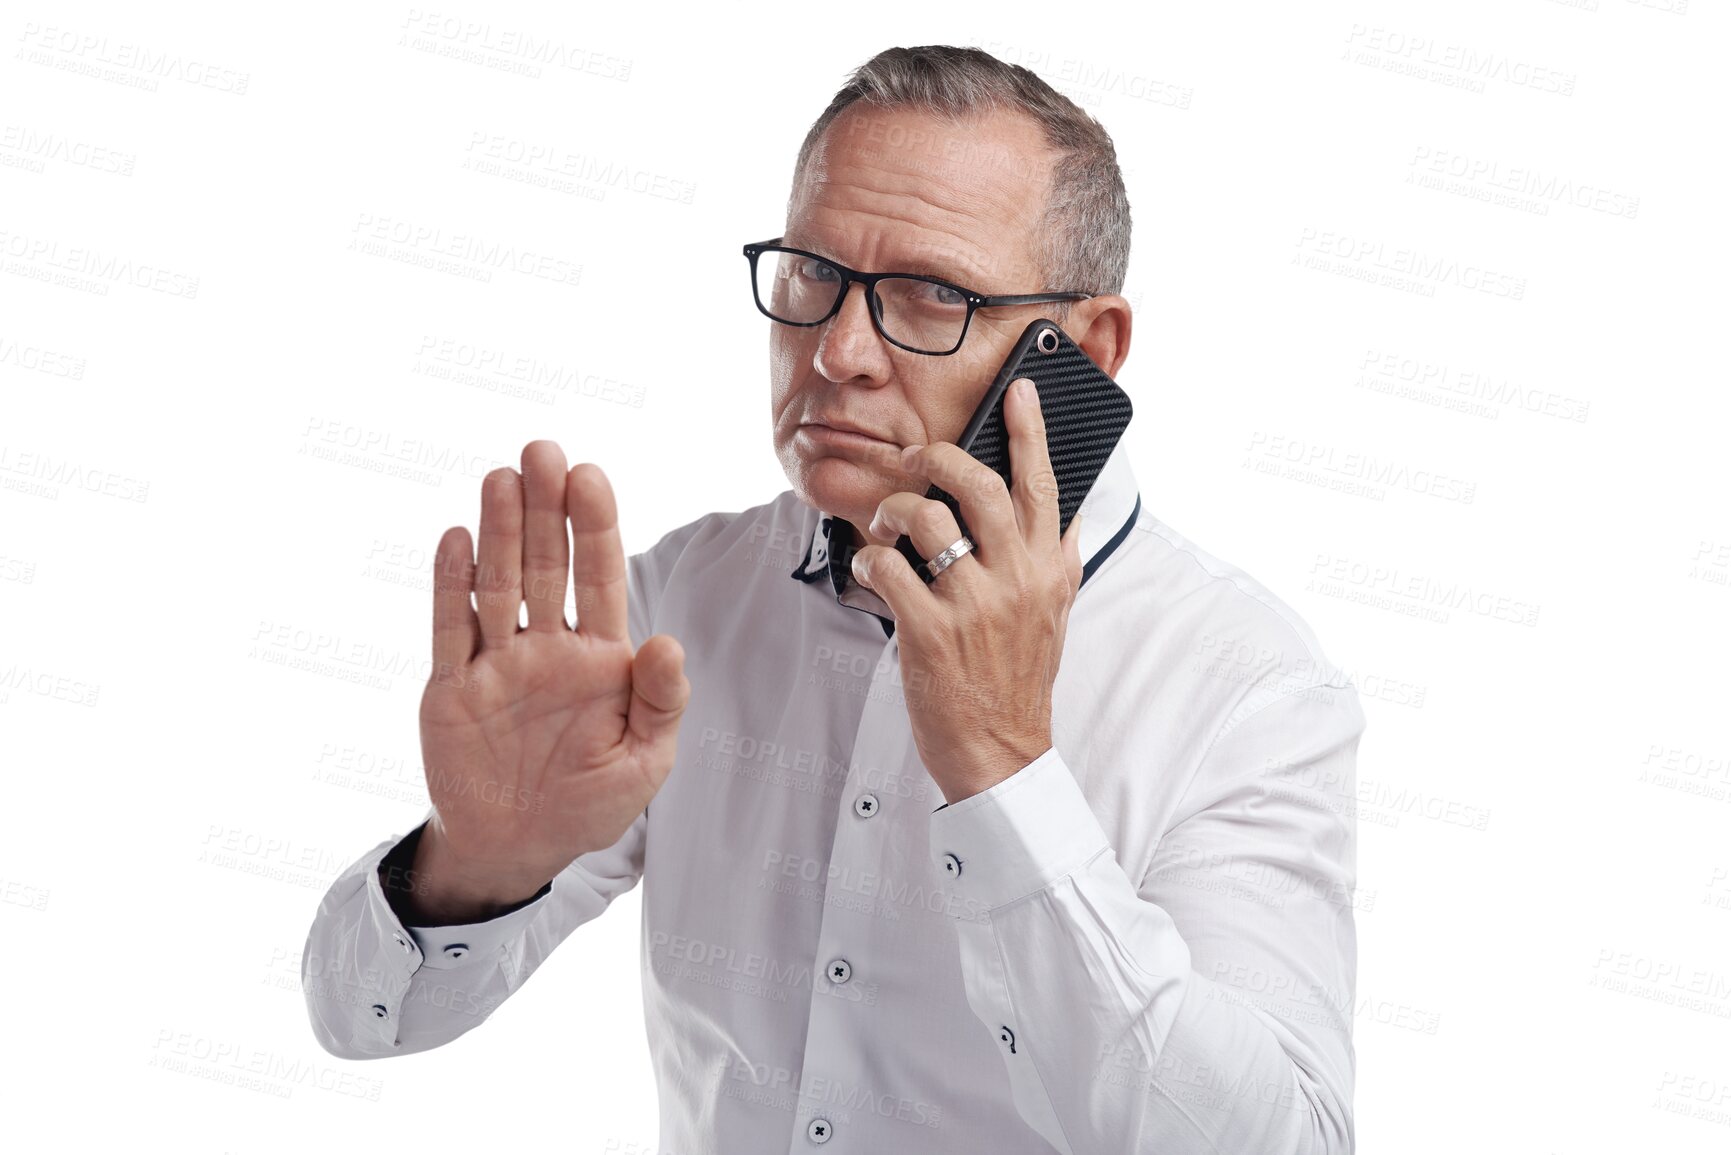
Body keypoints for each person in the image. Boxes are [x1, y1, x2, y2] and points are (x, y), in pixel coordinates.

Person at [302, 44, 1365, 1154]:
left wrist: (1005, 774)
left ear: (1085, 351)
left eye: (932, 294)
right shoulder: (686, 601)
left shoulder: (1252, 689)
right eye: (813, 273)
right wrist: (475, 863)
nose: (839, 350)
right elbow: (363, 1020)